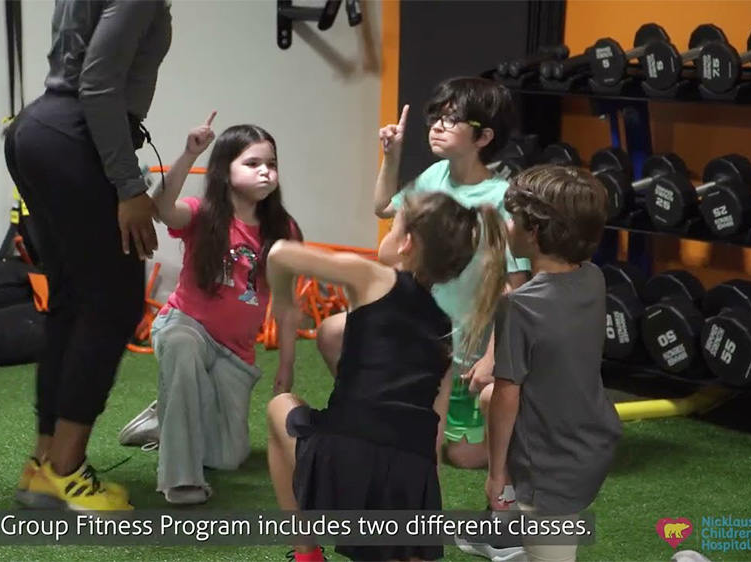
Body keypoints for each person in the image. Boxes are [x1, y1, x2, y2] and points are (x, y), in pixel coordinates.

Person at [266, 191, 508, 562]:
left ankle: (306, 554)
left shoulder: (372, 277)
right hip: (407, 486)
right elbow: (434, 437)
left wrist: (284, 302)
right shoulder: (446, 330)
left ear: (406, 242)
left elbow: (280, 253)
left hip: (341, 463)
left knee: (281, 406)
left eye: (392, 225)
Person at [4, 0, 171, 512]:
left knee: (74, 302)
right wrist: (128, 185)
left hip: (39, 131)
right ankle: (66, 471)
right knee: (112, 304)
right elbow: (97, 84)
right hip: (75, 135)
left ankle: (43, 465)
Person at [315, 77, 531, 472]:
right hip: (414, 331)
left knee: (461, 456)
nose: (437, 126)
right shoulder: (433, 177)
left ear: (483, 138)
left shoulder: (503, 199)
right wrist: (391, 155)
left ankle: (530, 434)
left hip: (462, 351)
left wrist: (491, 358)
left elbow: (514, 291)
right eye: (436, 118)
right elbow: (383, 207)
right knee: (332, 333)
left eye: (452, 120)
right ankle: (373, 411)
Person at [119, 115, 303, 505]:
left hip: (236, 352)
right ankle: (179, 480)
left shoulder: (284, 231)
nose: (265, 172)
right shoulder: (201, 213)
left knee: (227, 458)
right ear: (225, 170)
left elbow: (287, 305)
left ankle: (163, 417)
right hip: (185, 325)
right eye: (252, 164)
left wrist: (286, 365)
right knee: (184, 347)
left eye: (271, 164)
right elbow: (160, 208)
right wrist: (189, 153)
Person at [486, 165, 623, 562]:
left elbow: (507, 396)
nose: (508, 225)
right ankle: (513, 540)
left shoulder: (517, 307)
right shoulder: (593, 278)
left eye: (514, 219)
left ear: (534, 233)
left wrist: (497, 473)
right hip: (592, 441)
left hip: (550, 464)